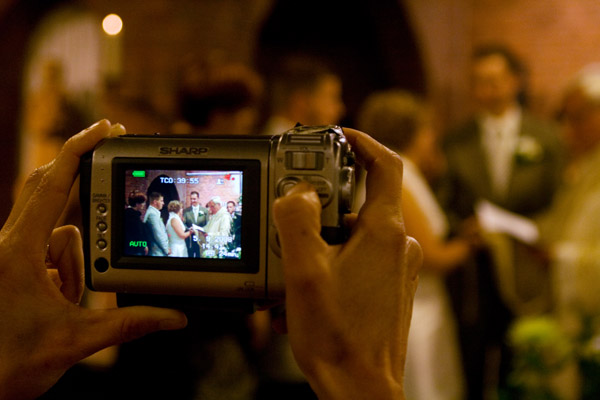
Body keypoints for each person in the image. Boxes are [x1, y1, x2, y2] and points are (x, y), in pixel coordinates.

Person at [0, 120, 421, 400]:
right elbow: (178, 236)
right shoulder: (164, 217)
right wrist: (367, 382)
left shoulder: (201, 215)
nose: (197, 202)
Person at [441, 43, 564, 399]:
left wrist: (537, 232)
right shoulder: (456, 138)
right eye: (478, 81)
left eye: (495, 80)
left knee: (522, 360)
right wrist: (462, 228)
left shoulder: (545, 137)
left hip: (527, 264)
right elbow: (444, 202)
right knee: (473, 358)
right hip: (473, 271)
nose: (487, 89)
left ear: (514, 82)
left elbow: (557, 200)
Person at [357, 90, 476, 400]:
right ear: (410, 132)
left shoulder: (397, 171)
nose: (432, 137)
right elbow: (430, 256)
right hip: (414, 310)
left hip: (422, 303)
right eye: (427, 129)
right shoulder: (397, 177)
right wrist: (471, 242)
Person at [261, 55, 345, 136]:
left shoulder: (275, 140)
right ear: (300, 102)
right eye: (332, 98)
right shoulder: (288, 147)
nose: (340, 109)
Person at [182, 191, 209, 258]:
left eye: (194, 199)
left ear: (198, 198)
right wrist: (188, 229)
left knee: (199, 255)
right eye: (191, 199)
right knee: (190, 255)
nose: (192, 200)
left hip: (201, 237)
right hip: (190, 237)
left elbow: (207, 223)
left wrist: (204, 231)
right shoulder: (186, 211)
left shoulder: (205, 211)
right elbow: (183, 223)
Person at [143, 192, 170, 256]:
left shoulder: (154, 213)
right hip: (156, 251)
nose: (163, 203)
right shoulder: (152, 214)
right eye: (161, 201)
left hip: (159, 250)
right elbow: (158, 234)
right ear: (155, 202)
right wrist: (166, 249)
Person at [124, 190, 149, 256]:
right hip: (135, 250)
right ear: (137, 204)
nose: (144, 204)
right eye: (143, 202)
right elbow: (137, 234)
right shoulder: (133, 216)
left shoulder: (131, 214)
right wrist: (143, 246)